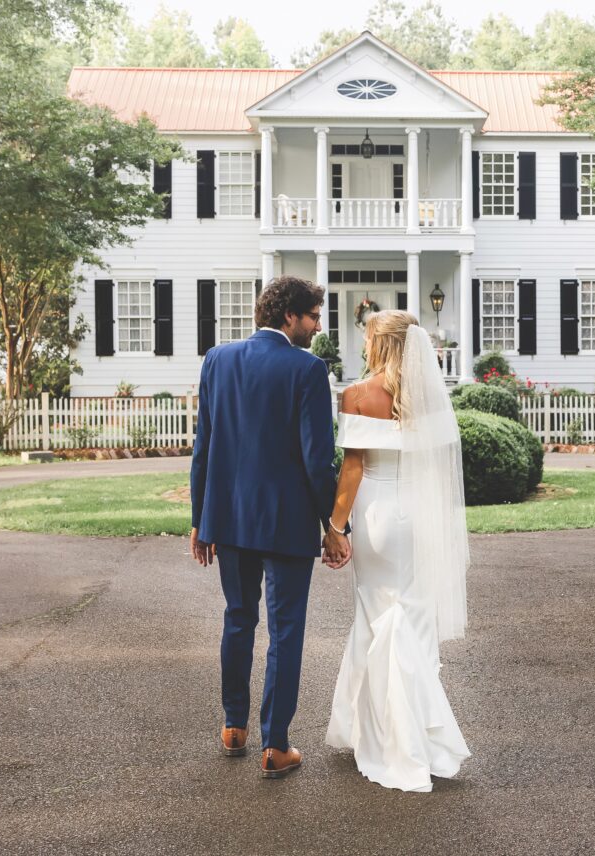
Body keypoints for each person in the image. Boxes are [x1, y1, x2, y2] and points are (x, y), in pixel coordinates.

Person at [190, 275, 350, 780]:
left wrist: (200, 520)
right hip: (286, 523)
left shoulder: (217, 360)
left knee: (238, 618)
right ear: (289, 317)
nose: (317, 326)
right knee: (285, 632)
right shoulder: (307, 369)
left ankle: (233, 726)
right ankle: (275, 745)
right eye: (313, 316)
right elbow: (316, 457)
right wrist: (333, 525)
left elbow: (204, 448)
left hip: (229, 520)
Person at [325, 310, 471, 792]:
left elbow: (353, 469)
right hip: (422, 514)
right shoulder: (429, 397)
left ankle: (389, 735)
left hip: (378, 516)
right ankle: (422, 737)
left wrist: (335, 526)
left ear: (379, 344)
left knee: (376, 613)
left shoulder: (358, 395)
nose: (365, 347)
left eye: (367, 339)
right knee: (415, 616)